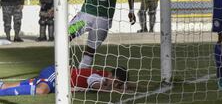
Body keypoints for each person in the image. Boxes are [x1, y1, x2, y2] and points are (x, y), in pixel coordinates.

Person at [0, 65, 129, 96]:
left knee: (35, 84)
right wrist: (120, 90)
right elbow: (99, 88)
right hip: (57, 73)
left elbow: (108, 85)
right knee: (41, 90)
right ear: (111, 76)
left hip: (59, 80)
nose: (116, 85)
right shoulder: (96, 77)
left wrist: (128, 86)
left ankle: (2, 86)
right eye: (117, 82)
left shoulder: (104, 75)